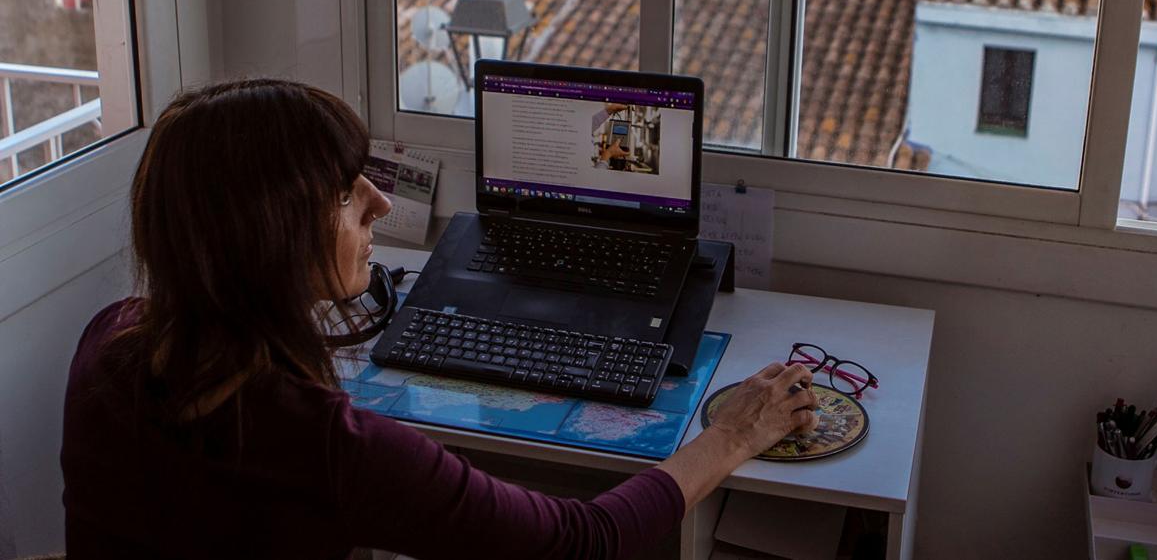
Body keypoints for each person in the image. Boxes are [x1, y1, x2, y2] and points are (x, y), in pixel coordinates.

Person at [61, 79, 819, 560]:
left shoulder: (107, 343)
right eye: (343, 194)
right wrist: (731, 436)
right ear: (270, 235)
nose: (380, 205)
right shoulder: (325, 445)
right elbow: (579, 540)